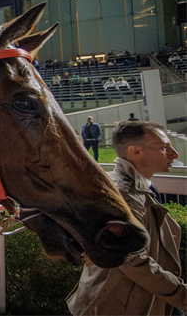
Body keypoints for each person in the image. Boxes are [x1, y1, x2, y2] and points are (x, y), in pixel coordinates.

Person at [67, 121, 186, 315]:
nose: (174, 154)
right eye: (164, 147)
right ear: (135, 152)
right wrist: (182, 295)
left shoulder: (135, 186)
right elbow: (130, 259)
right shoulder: (125, 195)